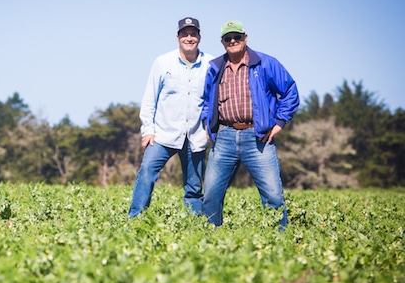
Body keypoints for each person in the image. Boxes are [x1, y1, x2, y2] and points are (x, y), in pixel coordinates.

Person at [200, 20, 299, 229]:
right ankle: (210, 238)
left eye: (237, 37)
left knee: (273, 195)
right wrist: (208, 125)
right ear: (222, 42)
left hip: (258, 137)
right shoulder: (215, 67)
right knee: (210, 195)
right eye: (228, 38)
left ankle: (279, 239)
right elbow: (206, 100)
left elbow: (289, 91)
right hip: (224, 137)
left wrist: (279, 122)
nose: (232, 41)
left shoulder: (265, 63)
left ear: (245, 38)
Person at [128, 17, 213, 217]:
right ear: (177, 37)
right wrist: (147, 130)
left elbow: (214, 100)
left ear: (199, 37)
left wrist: (211, 129)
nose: (189, 38)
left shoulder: (211, 63)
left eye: (193, 34)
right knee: (147, 172)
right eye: (185, 34)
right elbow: (150, 98)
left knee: (194, 186)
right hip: (163, 134)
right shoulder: (162, 62)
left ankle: (194, 223)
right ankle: (135, 217)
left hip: (196, 136)